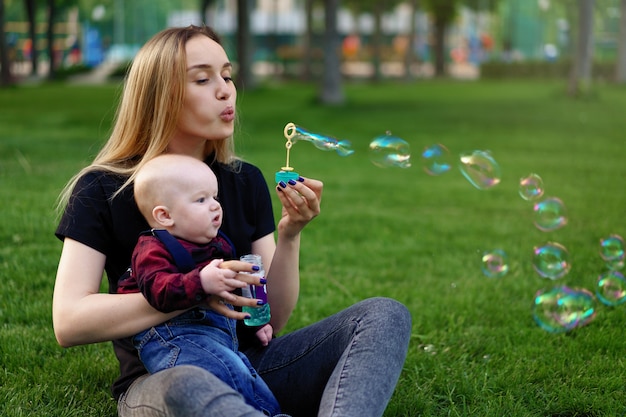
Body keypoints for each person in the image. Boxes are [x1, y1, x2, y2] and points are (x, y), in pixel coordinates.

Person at [53, 24, 412, 417]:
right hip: (165, 377)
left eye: (227, 75)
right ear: (160, 96)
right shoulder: (104, 188)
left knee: (384, 315)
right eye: (203, 79)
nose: (225, 90)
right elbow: (70, 321)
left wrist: (290, 235)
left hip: (250, 365)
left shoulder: (245, 180)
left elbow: (269, 314)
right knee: (188, 385)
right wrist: (197, 291)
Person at [116, 153, 279, 415]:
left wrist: (256, 321)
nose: (215, 206)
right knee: (227, 373)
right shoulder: (152, 250)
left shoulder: (218, 244)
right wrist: (202, 281)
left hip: (219, 338)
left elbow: (233, 290)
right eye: (201, 200)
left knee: (245, 374)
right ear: (165, 216)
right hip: (174, 338)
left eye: (215, 197)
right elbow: (158, 291)